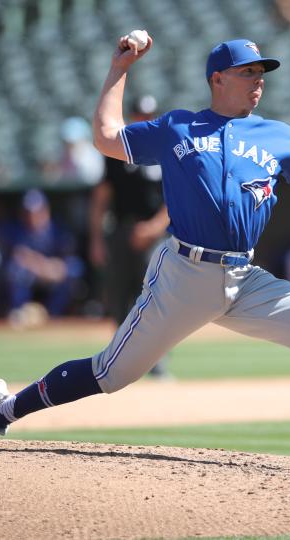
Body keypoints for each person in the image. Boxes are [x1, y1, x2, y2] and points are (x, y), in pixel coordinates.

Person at [0, 35, 290, 479]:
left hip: (244, 276)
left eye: (262, 73)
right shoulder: (178, 127)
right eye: (248, 72)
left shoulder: (279, 137)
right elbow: (105, 137)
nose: (259, 81)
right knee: (109, 373)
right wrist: (120, 69)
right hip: (184, 273)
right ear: (218, 79)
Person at [88, 94, 172, 378]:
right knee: (118, 294)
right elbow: (102, 196)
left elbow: (177, 198)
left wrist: (154, 228)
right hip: (122, 229)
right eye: (139, 115)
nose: (144, 120)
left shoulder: (167, 149)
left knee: (155, 296)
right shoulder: (118, 150)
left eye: (149, 116)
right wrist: (96, 238)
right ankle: (122, 359)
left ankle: (156, 360)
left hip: (154, 232)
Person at [6, 189, 84, 319]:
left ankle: (53, 314)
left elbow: (67, 263)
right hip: (34, 275)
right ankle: (20, 312)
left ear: (46, 210)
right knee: (15, 270)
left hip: (53, 275)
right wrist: (43, 267)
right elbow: (19, 257)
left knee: (75, 269)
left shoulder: (58, 230)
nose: (32, 216)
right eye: (29, 213)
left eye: (37, 212)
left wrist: (49, 268)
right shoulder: (20, 230)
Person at [59, 116, 105, 185]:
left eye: (73, 142)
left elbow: (92, 179)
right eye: (67, 142)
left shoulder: (92, 154)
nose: (69, 145)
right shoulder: (65, 153)